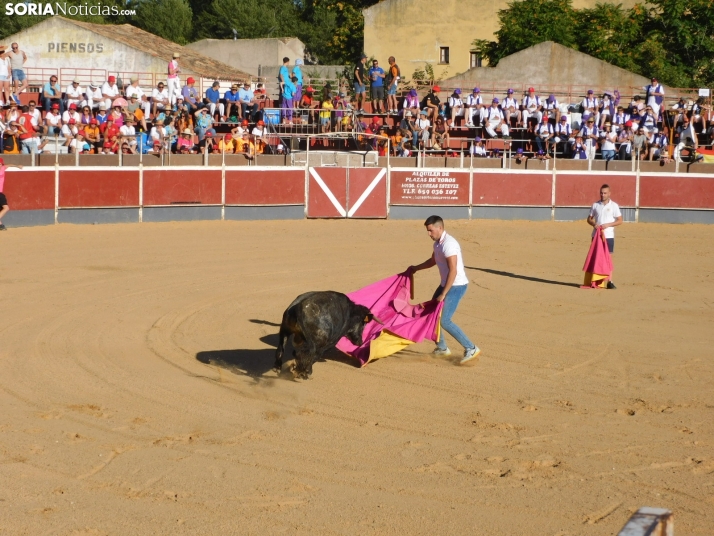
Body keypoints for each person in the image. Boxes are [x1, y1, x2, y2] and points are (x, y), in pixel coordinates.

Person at [408, 215, 480, 364]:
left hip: (456, 286)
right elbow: (432, 261)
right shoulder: (437, 244)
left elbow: (453, 271)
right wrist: (416, 268)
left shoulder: (449, 244)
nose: (429, 234)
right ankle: (442, 348)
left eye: (431, 231)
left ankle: (471, 348)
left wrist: (443, 293)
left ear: (440, 228)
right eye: (428, 231)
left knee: (445, 320)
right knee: (431, 314)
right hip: (446, 284)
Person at [587, 184, 622, 289]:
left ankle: (610, 281)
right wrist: (594, 224)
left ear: (609, 193)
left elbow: (620, 221)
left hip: (608, 235)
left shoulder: (614, 206)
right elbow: (589, 219)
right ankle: (595, 281)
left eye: (605, 193)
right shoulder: (595, 205)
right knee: (596, 257)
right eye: (601, 193)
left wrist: (608, 225)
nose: (603, 195)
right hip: (596, 235)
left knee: (608, 258)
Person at [0, 157, 23, 230]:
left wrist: (17, 166)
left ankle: (0, 225)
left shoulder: (3, 168)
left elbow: (9, 165)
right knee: (6, 208)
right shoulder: (3, 168)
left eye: (0, 164)